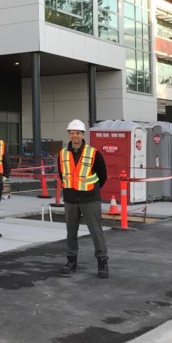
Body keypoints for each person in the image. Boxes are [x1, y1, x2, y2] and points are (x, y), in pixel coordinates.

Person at [59, 119, 110, 278]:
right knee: (71, 232)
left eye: (78, 133)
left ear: (83, 135)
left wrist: (91, 190)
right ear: (69, 134)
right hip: (70, 198)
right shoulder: (62, 153)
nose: (75, 135)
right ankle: (71, 261)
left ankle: (102, 262)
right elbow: (63, 175)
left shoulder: (94, 153)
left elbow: (103, 176)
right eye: (72, 133)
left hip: (90, 198)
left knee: (96, 231)